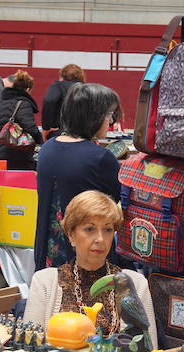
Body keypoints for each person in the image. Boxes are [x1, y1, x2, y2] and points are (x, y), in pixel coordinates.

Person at [23, 191, 158, 349]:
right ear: (71, 235)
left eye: (107, 230)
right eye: (89, 229)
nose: (100, 239)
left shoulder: (135, 283)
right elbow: (29, 349)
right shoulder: (45, 282)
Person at [35, 83, 123, 270]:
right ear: (94, 116)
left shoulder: (47, 148)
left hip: (48, 256)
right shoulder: (100, 157)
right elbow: (116, 203)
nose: (111, 121)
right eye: (108, 115)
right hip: (87, 258)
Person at [0, 69, 43, 170]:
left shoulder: (2, 102)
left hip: (1, 152)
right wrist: (40, 141)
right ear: (28, 89)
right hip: (19, 154)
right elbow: (30, 127)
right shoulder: (23, 104)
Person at [41, 64, 86, 140]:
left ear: (62, 75)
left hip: (60, 131)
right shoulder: (87, 88)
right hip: (83, 133)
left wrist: (46, 127)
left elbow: (49, 101)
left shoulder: (58, 86)